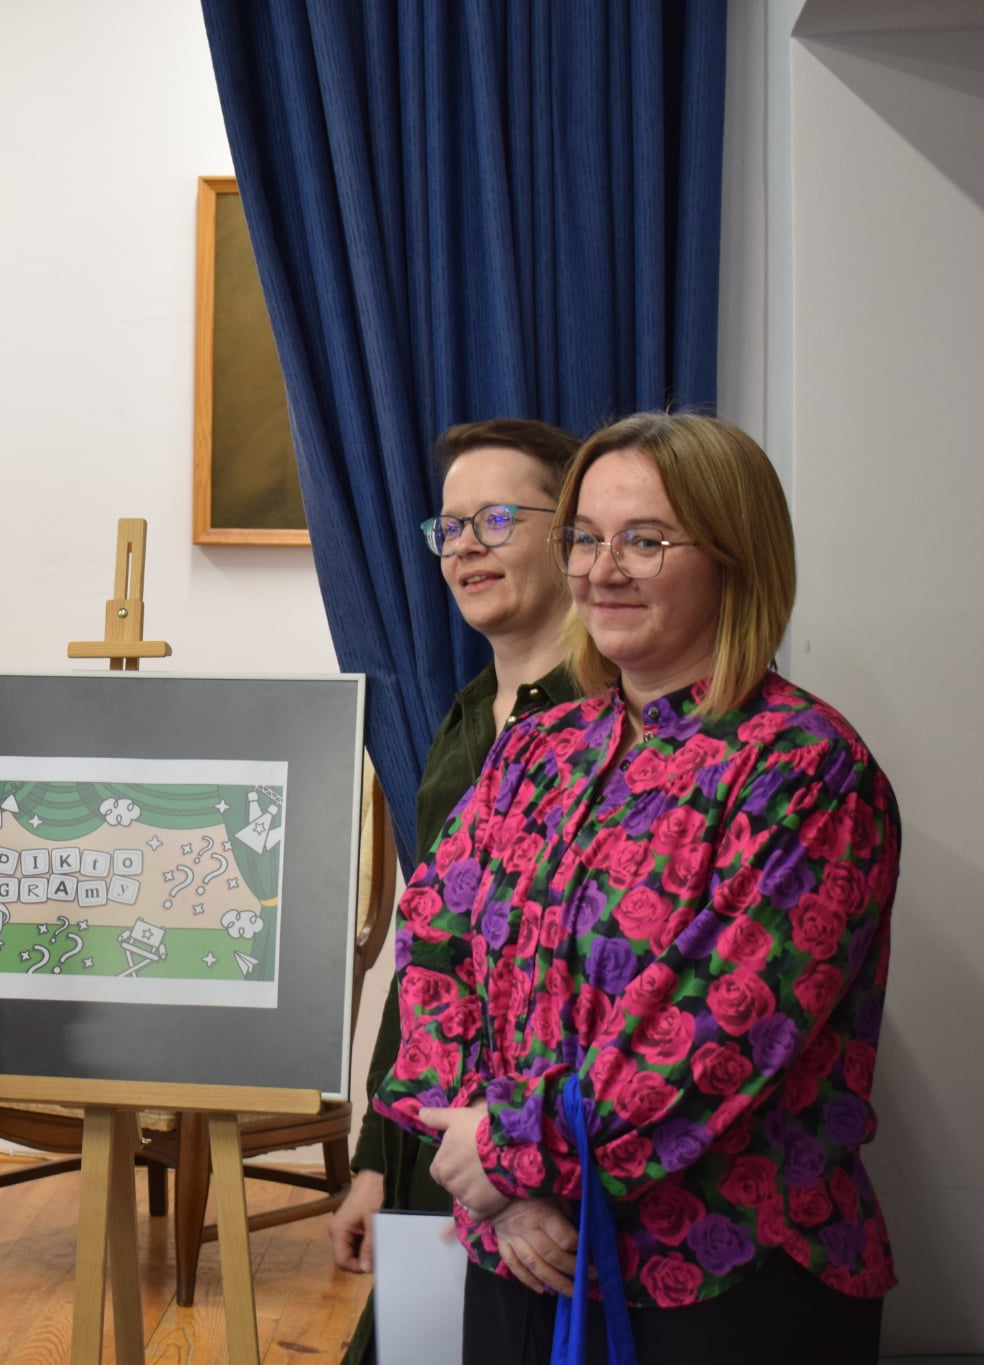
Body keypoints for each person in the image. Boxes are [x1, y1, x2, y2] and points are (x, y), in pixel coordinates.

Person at [376, 412, 899, 1362]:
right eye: (585, 538)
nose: (601, 570)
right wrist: (492, 1175)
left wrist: (509, 1152)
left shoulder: (807, 770)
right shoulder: (537, 751)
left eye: (645, 540)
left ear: (735, 557)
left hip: (724, 1285)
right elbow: (431, 950)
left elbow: (717, 1037)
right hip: (521, 1256)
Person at [330, 418, 582, 1363]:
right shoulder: (465, 718)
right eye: (450, 527)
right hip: (437, 1145)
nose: (466, 546)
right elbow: (428, 960)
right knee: (412, 1349)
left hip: (549, 1162)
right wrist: (377, 1161)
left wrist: (525, 1163)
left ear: (572, 535)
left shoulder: (616, 721)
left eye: (497, 519)